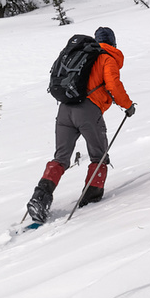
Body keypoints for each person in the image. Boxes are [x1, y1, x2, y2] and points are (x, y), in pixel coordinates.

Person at [26, 26, 135, 223]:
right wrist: (127, 106)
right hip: (88, 112)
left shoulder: (81, 55)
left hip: (64, 110)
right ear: (113, 43)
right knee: (99, 155)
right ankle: (92, 195)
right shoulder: (106, 58)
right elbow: (113, 86)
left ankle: (40, 198)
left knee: (60, 158)